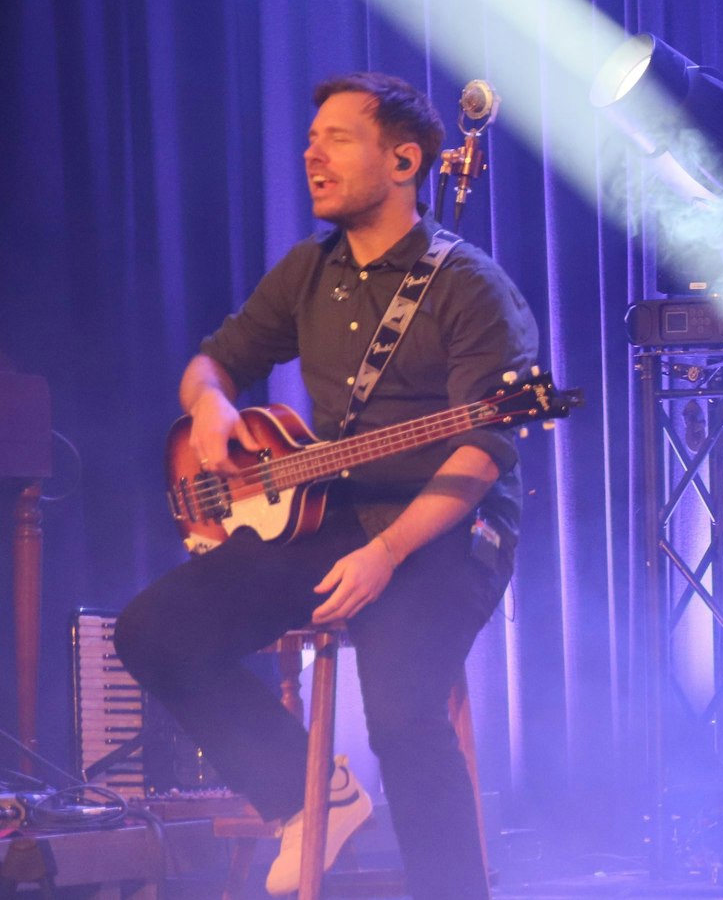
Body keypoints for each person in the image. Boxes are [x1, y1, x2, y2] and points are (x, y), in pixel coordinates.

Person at [116, 73, 539, 898]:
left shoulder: (470, 285)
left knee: (403, 715)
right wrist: (207, 404)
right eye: (311, 137)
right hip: (338, 512)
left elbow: (486, 449)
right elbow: (217, 358)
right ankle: (304, 794)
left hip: (450, 529)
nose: (311, 151)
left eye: (337, 137)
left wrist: (386, 552)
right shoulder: (308, 270)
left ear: (405, 159)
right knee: (152, 632)